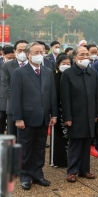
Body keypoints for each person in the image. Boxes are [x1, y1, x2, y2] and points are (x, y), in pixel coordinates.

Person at [11, 42, 58, 190]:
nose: (39, 55)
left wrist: (54, 114)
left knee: (39, 148)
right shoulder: (19, 72)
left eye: (41, 52)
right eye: (36, 52)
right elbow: (15, 97)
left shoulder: (47, 71)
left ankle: (37, 173)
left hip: (44, 117)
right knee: (25, 148)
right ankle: (25, 175)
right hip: (26, 118)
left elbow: (52, 95)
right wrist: (18, 118)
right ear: (28, 55)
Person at [60, 46, 98, 182]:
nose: (85, 57)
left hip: (89, 115)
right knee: (75, 144)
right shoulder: (68, 74)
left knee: (86, 143)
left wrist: (97, 113)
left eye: (87, 54)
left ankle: (85, 169)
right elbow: (65, 98)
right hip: (75, 115)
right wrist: (67, 117)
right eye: (82, 55)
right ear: (75, 57)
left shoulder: (93, 73)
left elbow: (97, 95)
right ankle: (72, 171)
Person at [1, 40, 29, 138]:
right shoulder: (7, 66)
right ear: (14, 51)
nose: (22, 53)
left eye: (24, 50)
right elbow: (6, 87)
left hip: (31, 109)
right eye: (19, 50)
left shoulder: (35, 66)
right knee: (13, 139)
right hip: (13, 108)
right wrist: (18, 102)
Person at [50, 53, 72, 167]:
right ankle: (58, 160)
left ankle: (70, 159)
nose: (66, 66)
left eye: (69, 64)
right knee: (58, 137)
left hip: (70, 112)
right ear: (58, 65)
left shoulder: (72, 77)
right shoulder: (53, 77)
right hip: (57, 111)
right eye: (64, 64)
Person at [0, 46, 15, 134]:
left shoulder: (16, 66)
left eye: (13, 58)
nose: (11, 60)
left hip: (11, 100)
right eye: (9, 58)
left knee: (11, 127)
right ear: (3, 55)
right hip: (1, 99)